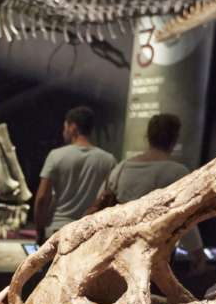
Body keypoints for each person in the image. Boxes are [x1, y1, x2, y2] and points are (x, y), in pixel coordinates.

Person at [87, 112, 204, 263]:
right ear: (174, 139)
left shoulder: (121, 167)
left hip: (118, 250)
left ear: (148, 137)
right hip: (156, 254)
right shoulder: (177, 172)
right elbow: (184, 217)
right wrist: (197, 252)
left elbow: (100, 203)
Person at [34, 105, 116, 243]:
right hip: (90, 233)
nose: (63, 131)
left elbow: (42, 198)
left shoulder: (56, 156)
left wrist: (40, 230)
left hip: (58, 230)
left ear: (73, 128)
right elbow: (109, 199)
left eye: (65, 127)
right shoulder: (109, 160)